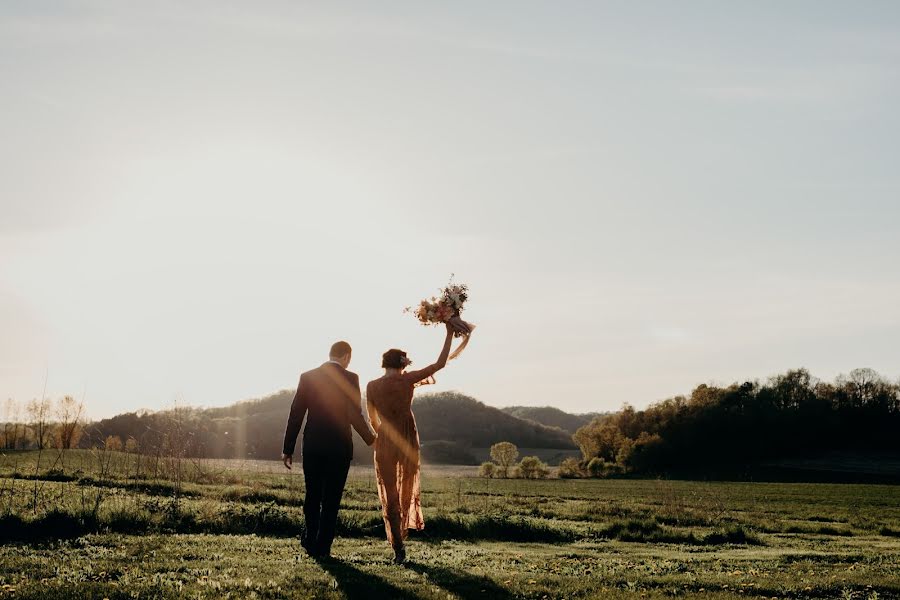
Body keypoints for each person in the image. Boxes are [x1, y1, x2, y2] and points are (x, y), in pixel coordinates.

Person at [366, 322, 467, 563]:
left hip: (385, 440)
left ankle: (398, 548)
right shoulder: (407, 380)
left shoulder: (371, 386)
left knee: (390, 493)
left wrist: (383, 435)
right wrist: (449, 334)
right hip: (407, 438)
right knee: (406, 488)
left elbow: (371, 418)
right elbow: (440, 364)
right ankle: (402, 535)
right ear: (402, 364)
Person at [282, 340, 376, 558]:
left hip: (313, 446)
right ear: (347, 356)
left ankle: (309, 540)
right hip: (339, 447)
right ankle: (323, 547)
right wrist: (371, 439)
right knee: (332, 499)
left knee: (312, 495)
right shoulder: (351, 378)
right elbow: (354, 413)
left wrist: (288, 448)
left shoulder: (308, 376)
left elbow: (296, 413)